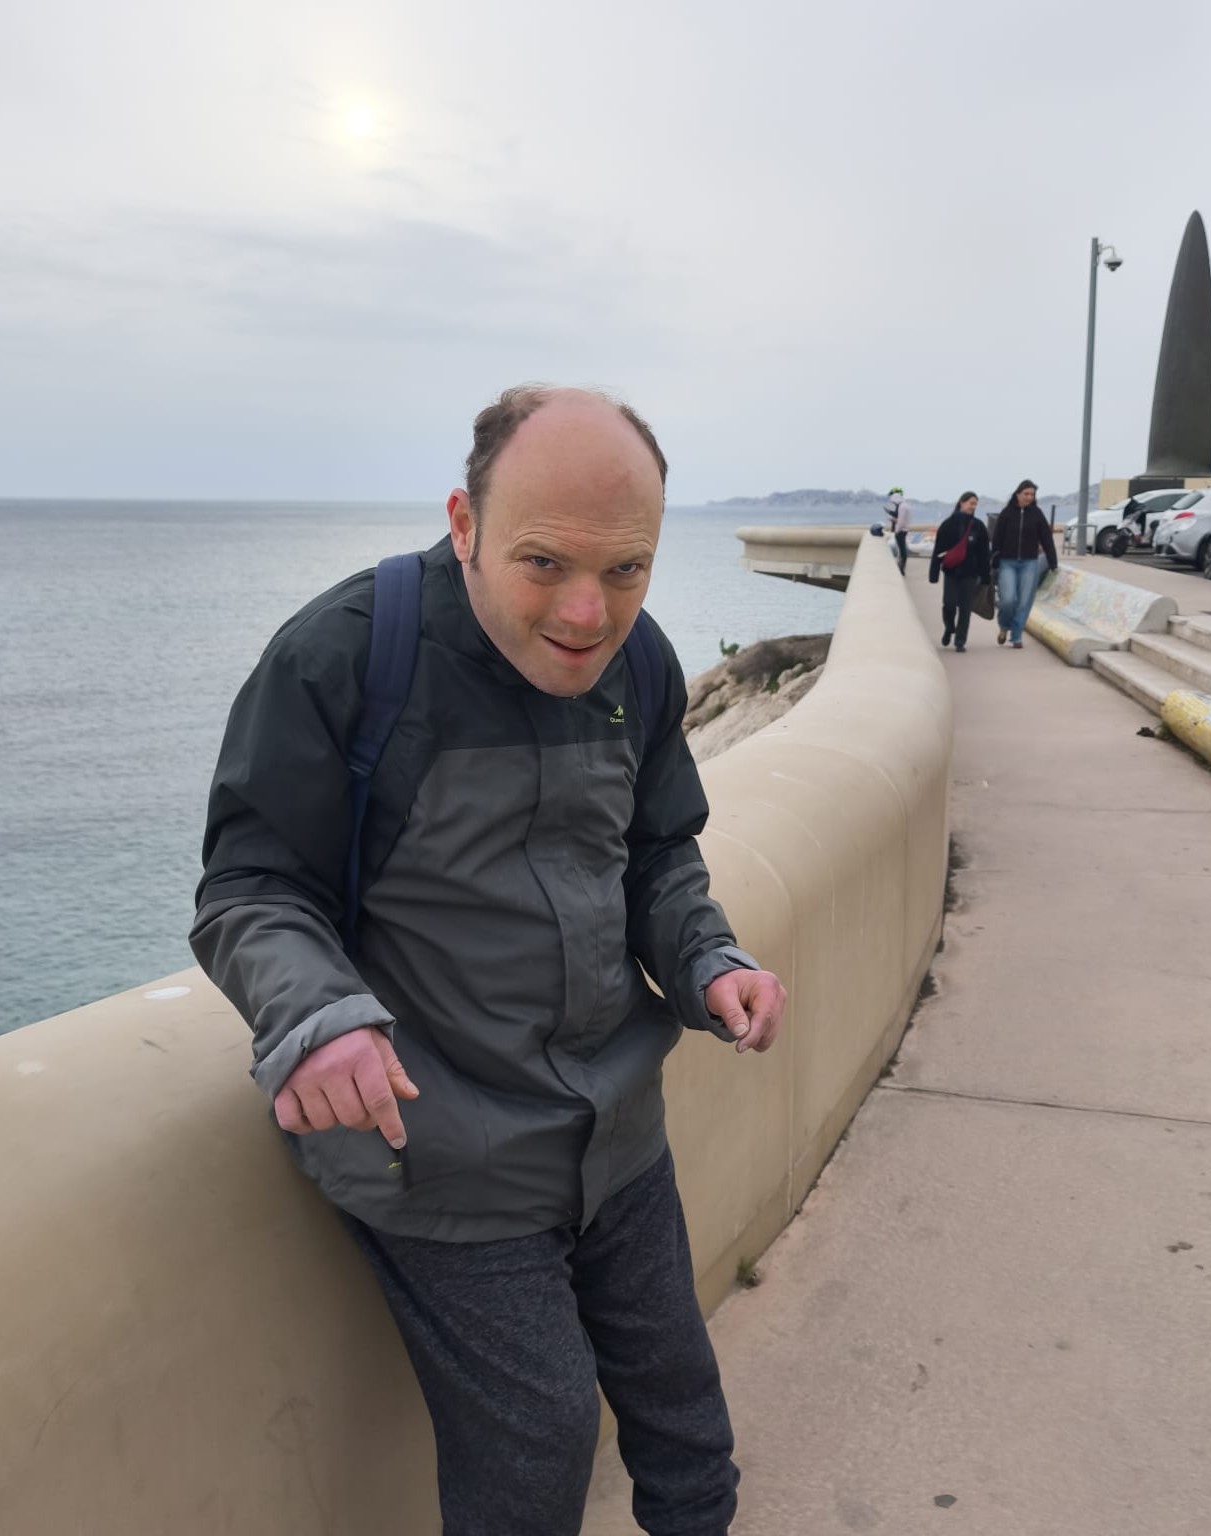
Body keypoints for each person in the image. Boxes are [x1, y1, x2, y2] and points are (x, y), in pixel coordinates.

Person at [191, 386, 788, 1536]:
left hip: (617, 1132)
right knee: (540, 1440)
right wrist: (320, 1019)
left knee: (683, 1404)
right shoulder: (346, 655)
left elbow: (657, 855)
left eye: (627, 570)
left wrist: (709, 959)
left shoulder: (640, 664)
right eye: (544, 563)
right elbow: (252, 887)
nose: (588, 612)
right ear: (464, 523)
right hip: (446, 1154)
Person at [991, 478, 1058, 648]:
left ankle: (1016, 635)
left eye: (1032, 495)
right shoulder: (1007, 513)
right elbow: (997, 538)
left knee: (1024, 602)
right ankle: (1004, 626)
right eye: (1026, 494)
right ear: (1018, 494)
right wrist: (994, 559)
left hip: (1029, 563)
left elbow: (1047, 538)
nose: (1029, 497)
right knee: (1007, 600)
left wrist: (1053, 562)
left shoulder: (1037, 514)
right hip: (1008, 563)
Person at [928, 492, 991, 651]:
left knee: (965, 607)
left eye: (975, 504)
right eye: (971, 503)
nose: (973, 507)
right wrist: (934, 573)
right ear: (962, 503)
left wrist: (986, 576)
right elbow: (938, 550)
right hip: (951, 571)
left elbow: (984, 553)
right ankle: (949, 627)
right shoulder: (948, 525)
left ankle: (960, 641)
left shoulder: (978, 526)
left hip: (971, 573)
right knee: (949, 604)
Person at [884, 485, 912, 574]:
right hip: (904, 530)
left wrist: (897, 530)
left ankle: (901, 568)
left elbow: (901, 521)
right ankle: (901, 566)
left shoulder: (902, 507)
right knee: (901, 549)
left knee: (902, 549)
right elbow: (902, 519)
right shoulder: (904, 505)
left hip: (901, 531)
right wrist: (895, 520)